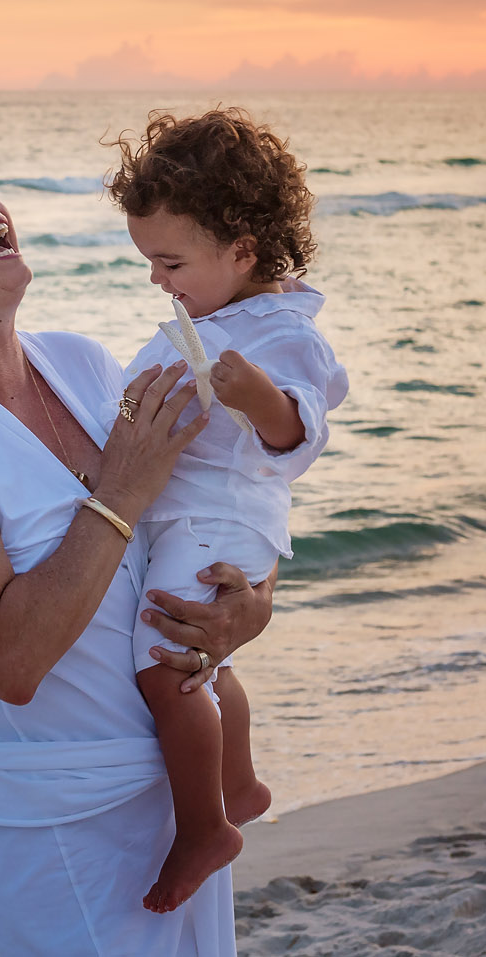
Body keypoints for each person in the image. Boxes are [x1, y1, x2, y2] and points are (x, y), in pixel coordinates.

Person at [0, 128, 275, 956]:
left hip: (180, 790)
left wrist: (249, 606)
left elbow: (217, 503)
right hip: (52, 831)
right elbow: (11, 659)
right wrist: (123, 485)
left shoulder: (81, 364)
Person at [106, 108, 350, 914]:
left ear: (241, 249)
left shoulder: (280, 329)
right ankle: (238, 782)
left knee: (164, 661)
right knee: (214, 662)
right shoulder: (213, 314)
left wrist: (262, 399)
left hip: (222, 514)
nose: (156, 278)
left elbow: (300, 432)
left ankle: (203, 825)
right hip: (195, 515)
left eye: (169, 260)